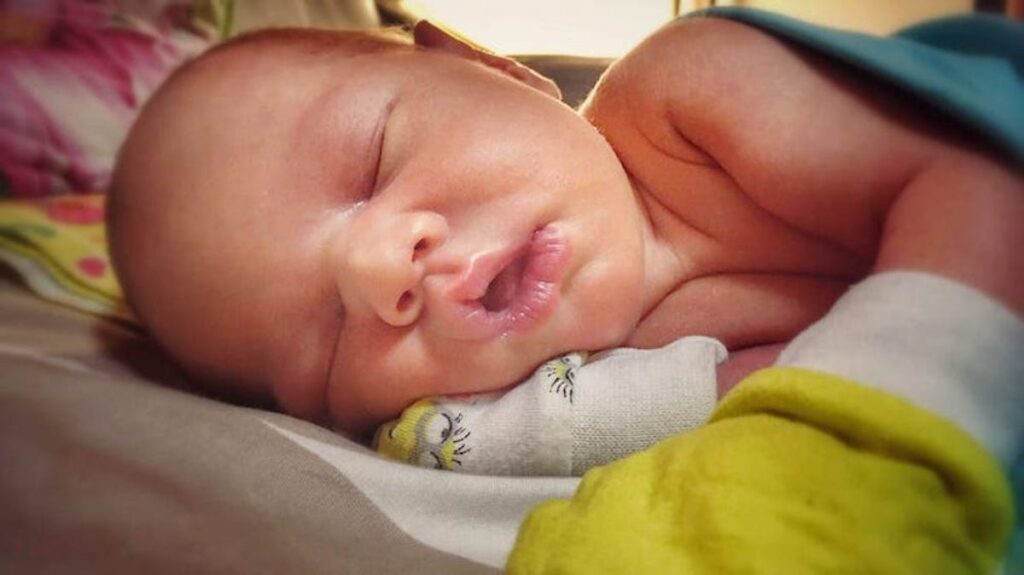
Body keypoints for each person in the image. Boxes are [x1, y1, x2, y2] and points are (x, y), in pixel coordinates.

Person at [106, 7, 1022, 571]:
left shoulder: (688, 94)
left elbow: (983, 190)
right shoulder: (580, 404)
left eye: (373, 160)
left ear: (489, 66)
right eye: (325, 336)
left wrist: (866, 456)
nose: (385, 272)